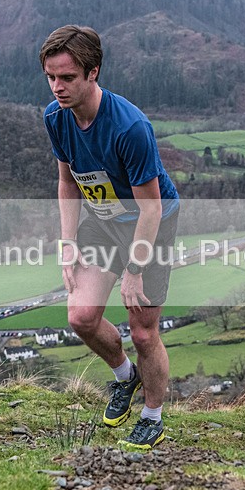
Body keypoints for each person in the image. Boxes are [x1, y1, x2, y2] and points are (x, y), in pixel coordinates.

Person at [39, 25, 180, 450]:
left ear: (93, 72)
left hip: (148, 223)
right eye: (51, 77)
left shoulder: (129, 128)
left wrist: (134, 269)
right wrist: (67, 245)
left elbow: (152, 208)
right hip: (102, 220)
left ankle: (153, 416)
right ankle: (125, 376)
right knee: (81, 316)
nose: (57, 87)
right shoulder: (55, 117)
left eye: (67, 78)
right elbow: (67, 183)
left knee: (142, 330)